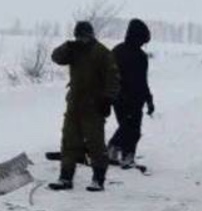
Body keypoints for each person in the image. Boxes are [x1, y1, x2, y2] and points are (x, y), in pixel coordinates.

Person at [48, 20, 119, 192]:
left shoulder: (102, 53)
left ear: (91, 35)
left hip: (94, 106)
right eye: (78, 37)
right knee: (69, 142)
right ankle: (65, 177)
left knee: (96, 144)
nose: (81, 40)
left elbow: (113, 79)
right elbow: (56, 57)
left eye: (84, 36)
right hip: (74, 105)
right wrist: (67, 46)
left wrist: (108, 100)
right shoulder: (74, 50)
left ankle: (98, 179)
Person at [109, 18, 155, 169]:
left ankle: (124, 155)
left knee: (133, 129)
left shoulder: (140, 56)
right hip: (121, 98)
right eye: (142, 40)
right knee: (128, 128)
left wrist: (149, 99)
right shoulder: (118, 52)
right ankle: (115, 150)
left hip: (135, 99)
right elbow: (109, 76)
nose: (143, 44)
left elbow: (143, 81)